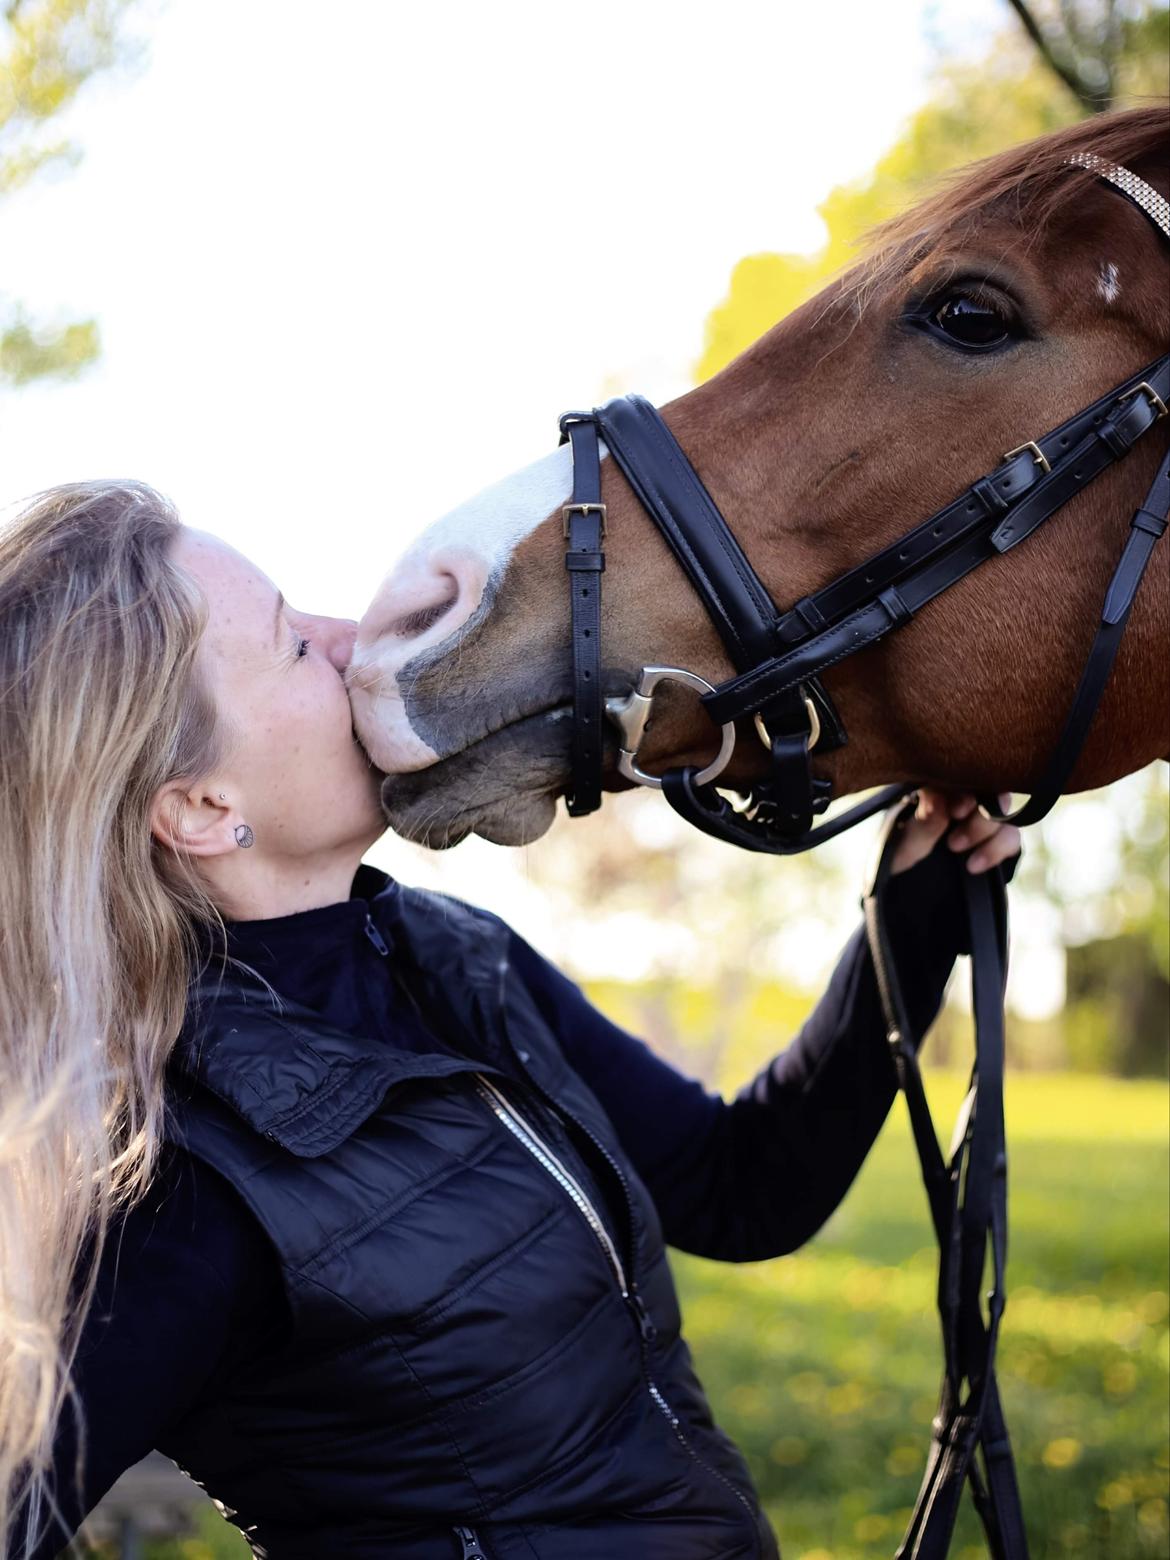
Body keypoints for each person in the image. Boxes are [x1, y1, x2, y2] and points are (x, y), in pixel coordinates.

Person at [0, 481, 1020, 1560]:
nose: (352, 642)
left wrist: (909, 916)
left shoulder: (452, 961)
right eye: (292, 645)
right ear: (201, 809)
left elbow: (742, 1191)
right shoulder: (183, 1185)